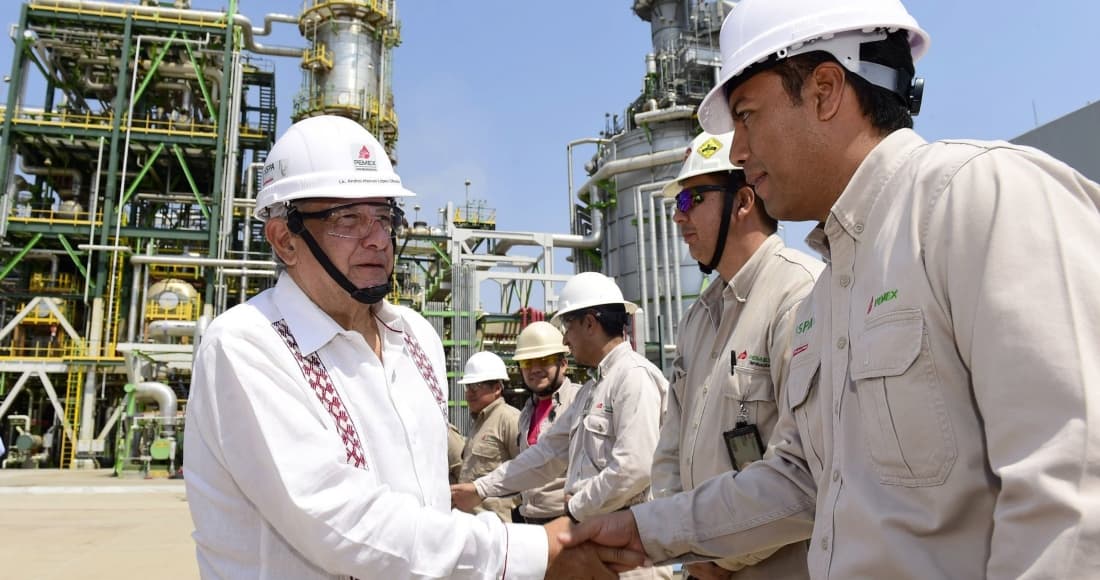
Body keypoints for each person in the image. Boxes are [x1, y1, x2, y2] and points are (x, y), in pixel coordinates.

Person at [563, 0, 1100, 577]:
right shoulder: (829, 292)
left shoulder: (979, 199)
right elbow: (801, 480)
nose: (739, 154)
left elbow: (1074, 493)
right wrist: (648, 530)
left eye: (746, 116)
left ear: (824, 90)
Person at [183, 115, 627, 579]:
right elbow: (338, 520)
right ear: (284, 240)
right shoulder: (248, 345)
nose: (377, 238)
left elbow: (426, 504)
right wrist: (533, 553)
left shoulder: (415, 338)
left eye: (384, 217)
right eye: (347, 219)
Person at [650, 130, 822, 580]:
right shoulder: (697, 317)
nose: (677, 218)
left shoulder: (801, 294)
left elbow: (808, 472)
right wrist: (685, 546)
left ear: (743, 201)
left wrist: (719, 558)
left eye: (690, 201)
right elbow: (670, 446)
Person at [452, 272, 673, 579]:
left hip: (630, 555)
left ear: (590, 324)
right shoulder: (591, 391)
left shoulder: (633, 377)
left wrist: (574, 509)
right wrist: (479, 488)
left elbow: (634, 467)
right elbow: (545, 454)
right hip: (597, 544)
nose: (566, 339)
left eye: (568, 327)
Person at [510, 321, 582, 524]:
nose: (534, 369)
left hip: (568, 520)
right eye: (527, 363)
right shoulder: (526, 412)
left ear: (564, 364)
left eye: (545, 360)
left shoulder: (580, 401)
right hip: (530, 517)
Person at [457, 351, 522, 522]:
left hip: (499, 524)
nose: (470, 392)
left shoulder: (510, 419)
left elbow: (527, 471)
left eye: (477, 386)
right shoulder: (479, 422)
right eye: (468, 386)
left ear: (497, 388)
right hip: (474, 522)